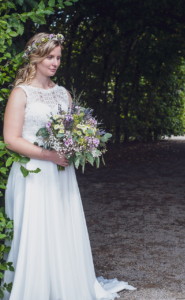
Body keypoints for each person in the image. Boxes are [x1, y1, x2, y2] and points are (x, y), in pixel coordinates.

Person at [2, 33, 135, 300]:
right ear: (36, 57)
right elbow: (11, 140)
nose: (55, 63)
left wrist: (80, 146)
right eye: (50, 57)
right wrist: (48, 155)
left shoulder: (64, 93)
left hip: (62, 172)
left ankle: (66, 284)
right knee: (36, 230)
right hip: (33, 173)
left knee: (63, 226)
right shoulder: (21, 93)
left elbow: (72, 130)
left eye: (59, 57)